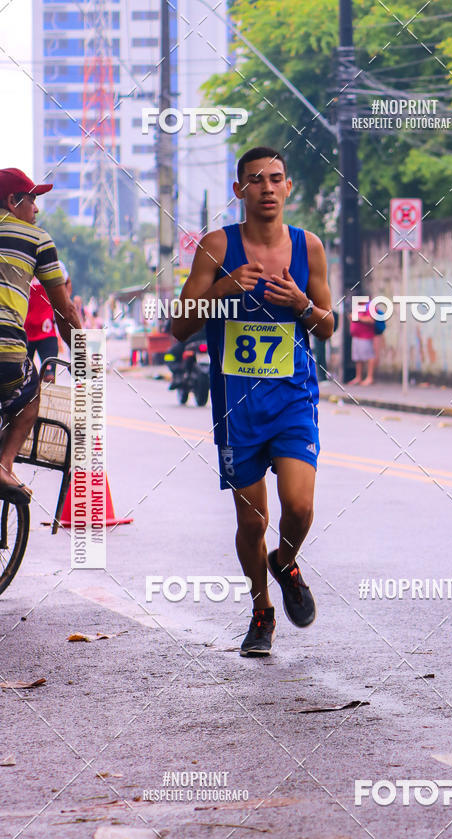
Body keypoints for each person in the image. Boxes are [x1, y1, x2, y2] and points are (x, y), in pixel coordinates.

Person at [173, 147, 334, 656]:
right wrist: (220, 288)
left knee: (300, 505)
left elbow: (328, 325)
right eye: (256, 180)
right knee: (251, 521)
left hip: (292, 396)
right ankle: (261, 610)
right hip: (236, 405)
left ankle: (285, 561)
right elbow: (179, 327)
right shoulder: (218, 245)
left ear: (288, 188)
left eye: (276, 179)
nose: (267, 187)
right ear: (239, 189)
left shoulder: (309, 247)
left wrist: (301, 304)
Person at [0, 168, 82, 503]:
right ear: (12, 201)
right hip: (7, 347)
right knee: (29, 397)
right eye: (32, 199)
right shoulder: (37, 239)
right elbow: (65, 310)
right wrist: (82, 354)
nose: (36, 208)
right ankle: (4, 465)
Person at [25, 261, 70, 381]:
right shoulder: (23, 263)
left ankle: (46, 399)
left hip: (47, 332)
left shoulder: (54, 265)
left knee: (49, 377)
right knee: (21, 380)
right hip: (24, 333)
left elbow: (67, 281)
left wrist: (64, 301)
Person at [348, 301, 376, 386]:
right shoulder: (358, 306)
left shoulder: (369, 306)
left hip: (365, 336)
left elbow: (372, 320)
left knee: (369, 356)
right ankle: (358, 377)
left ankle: (370, 377)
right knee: (358, 358)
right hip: (356, 336)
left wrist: (358, 318)